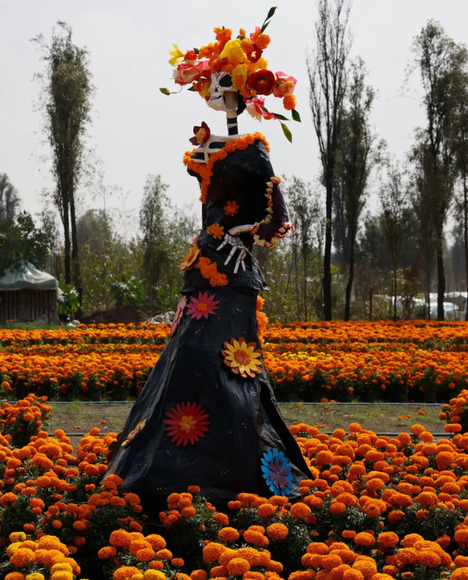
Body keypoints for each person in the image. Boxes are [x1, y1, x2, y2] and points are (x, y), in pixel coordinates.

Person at [104, 19, 307, 507]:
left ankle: (237, 461)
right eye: (210, 81)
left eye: (223, 82)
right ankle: (177, 458)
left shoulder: (254, 150)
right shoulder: (207, 146)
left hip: (233, 275)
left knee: (228, 364)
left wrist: (246, 233)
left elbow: (279, 216)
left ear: (243, 86)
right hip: (201, 271)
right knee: (188, 357)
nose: (214, 91)